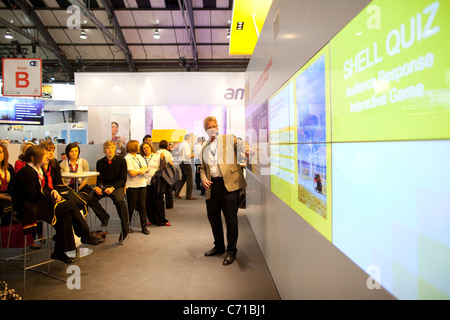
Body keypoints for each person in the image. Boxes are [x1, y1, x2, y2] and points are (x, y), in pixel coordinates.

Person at [12, 145, 103, 264]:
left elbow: (43, 188)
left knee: (66, 214)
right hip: (29, 207)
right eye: (43, 154)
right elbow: (31, 195)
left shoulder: (38, 170)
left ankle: (60, 251)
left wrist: (52, 191)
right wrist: (51, 196)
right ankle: (85, 234)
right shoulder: (26, 172)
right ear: (33, 158)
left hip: (39, 203)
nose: (47, 156)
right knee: (70, 205)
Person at [200, 116, 249, 266]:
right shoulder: (204, 147)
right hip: (212, 187)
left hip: (229, 186)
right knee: (213, 218)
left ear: (218, 126)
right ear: (205, 129)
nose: (212, 128)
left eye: (214, 125)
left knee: (231, 220)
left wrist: (247, 150)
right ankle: (219, 246)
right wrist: (203, 178)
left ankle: (231, 251)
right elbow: (202, 168)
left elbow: (241, 144)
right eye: (209, 127)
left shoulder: (228, 139)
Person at [89, 140, 129, 243]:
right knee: (89, 198)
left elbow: (122, 179)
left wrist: (112, 188)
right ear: (104, 150)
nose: (110, 150)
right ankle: (104, 217)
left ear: (115, 148)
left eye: (112, 148)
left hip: (117, 186)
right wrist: (100, 187)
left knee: (120, 201)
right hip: (104, 186)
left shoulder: (121, 160)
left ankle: (125, 228)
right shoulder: (100, 162)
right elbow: (100, 180)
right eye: (107, 148)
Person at [40, 141, 88, 217]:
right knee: (73, 203)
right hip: (48, 194)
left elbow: (59, 182)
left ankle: (79, 227)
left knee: (80, 202)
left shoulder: (54, 164)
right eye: (49, 151)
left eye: (53, 151)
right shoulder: (39, 167)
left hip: (61, 188)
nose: (51, 153)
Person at [141, 141, 169, 226]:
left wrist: (162, 159)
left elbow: (163, 167)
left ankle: (161, 220)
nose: (146, 149)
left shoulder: (157, 156)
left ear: (150, 147)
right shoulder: (141, 158)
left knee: (158, 201)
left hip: (156, 182)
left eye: (147, 147)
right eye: (144, 148)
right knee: (148, 202)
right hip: (145, 182)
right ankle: (152, 219)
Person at [124, 140, 150, 235]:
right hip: (132, 186)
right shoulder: (127, 158)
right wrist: (140, 171)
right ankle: (127, 226)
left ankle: (144, 227)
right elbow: (131, 173)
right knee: (131, 207)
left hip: (142, 184)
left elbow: (147, 168)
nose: (139, 147)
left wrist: (142, 170)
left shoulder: (139, 156)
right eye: (137, 145)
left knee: (142, 206)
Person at [174, 134, 196, 200]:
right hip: (186, 162)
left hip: (181, 162)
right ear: (189, 138)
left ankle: (177, 192)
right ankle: (189, 195)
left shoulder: (181, 144)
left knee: (184, 178)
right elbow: (188, 156)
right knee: (190, 179)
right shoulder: (186, 145)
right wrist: (194, 155)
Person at [0, 144, 15, 226]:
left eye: (0, 152)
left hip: (8, 196)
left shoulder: (9, 167)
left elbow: (14, 185)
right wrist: (9, 198)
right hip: (4, 198)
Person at [157, 140, 174, 209]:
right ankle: (169, 205)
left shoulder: (156, 152)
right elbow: (171, 163)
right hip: (167, 172)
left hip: (158, 172)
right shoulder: (168, 153)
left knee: (159, 187)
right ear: (167, 146)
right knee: (168, 188)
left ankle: (159, 204)